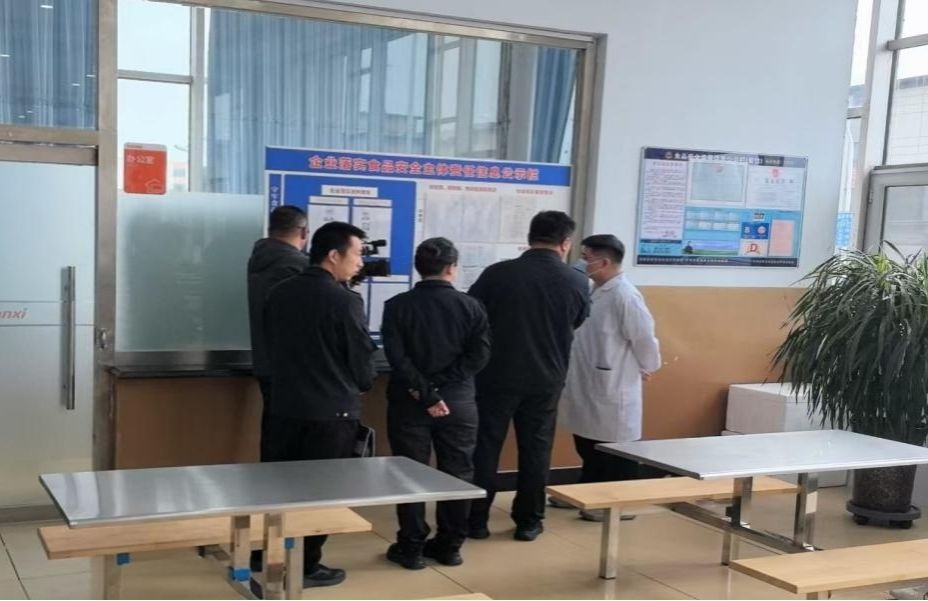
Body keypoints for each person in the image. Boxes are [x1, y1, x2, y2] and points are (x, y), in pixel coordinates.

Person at [261, 221, 377, 588]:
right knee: (321, 492)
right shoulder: (345, 301)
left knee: (279, 488)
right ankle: (306, 565)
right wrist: (363, 380)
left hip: (283, 407)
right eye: (357, 254)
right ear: (334, 255)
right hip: (331, 413)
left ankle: (268, 553)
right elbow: (361, 364)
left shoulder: (279, 293)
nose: (360, 262)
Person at [467, 211, 591, 542]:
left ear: (530, 237)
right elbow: (577, 320)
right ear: (565, 243)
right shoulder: (576, 281)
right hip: (546, 378)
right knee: (536, 449)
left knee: (485, 447)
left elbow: (473, 317)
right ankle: (529, 521)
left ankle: (475, 520)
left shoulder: (497, 274)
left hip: (495, 375)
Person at [381, 237, 491, 570]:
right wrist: (441, 388)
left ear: (419, 267)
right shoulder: (471, 306)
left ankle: (411, 547)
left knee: (409, 473)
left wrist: (426, 391)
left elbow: (396, 357)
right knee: (458, 472)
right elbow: (479, 356)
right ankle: (450, 546)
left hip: (409, 401)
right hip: (458, 402)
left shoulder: (397, 305)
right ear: (452, 268)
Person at [561, 234, 661, 522]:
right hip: (589, 378)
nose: (580, 262)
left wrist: (649, 366)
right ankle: (587, 493)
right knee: (588, 444)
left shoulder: (625, 296)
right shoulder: (593, 289)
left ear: (603, 262)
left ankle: (617, 505)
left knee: (614, 450)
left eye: (586, 257)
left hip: (615, 383)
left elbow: (644, 338)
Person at [246, 205, 309, 461]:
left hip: (266, 362)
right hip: (294, 367)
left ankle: (270, 484)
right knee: (295, 444)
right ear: (303, 232)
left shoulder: (260, 259)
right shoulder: (297, 264)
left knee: (275, 436)